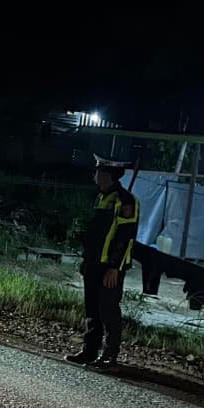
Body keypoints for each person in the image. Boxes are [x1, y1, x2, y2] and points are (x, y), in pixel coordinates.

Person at [67, 155, 141, 367]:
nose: (95, 175)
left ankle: (109, 355)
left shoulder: (125, 201)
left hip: (109, 266)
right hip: (93, 262)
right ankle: (89, 351)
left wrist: (114, 268)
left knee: (108, 310)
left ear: (107, 175)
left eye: (98, 171)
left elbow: (125, 236)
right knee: (91, 309)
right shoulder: (102, 197)